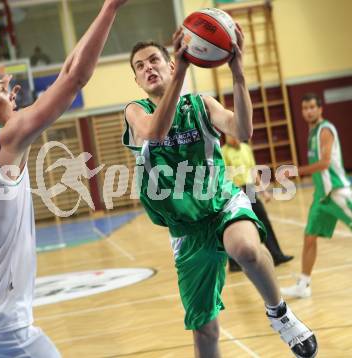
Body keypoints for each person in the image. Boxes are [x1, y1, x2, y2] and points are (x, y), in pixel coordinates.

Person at [0, 1, 128, 357]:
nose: (11, 92)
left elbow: (63, 75)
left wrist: (3, 108)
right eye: (1, 88)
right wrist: (110, 9)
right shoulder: (6, 140)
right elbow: (74, 77)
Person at [123, 27, 317, 358]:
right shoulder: (135, 111)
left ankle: (280, 314)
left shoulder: (201, 104)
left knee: (245, 249)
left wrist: (238, 73)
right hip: (185, 227)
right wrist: (185, 70)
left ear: (171, 65)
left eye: (154, 59)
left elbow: (243, 130)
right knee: (206, 329)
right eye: (139, 66)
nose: (147, 68)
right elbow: (155, 133)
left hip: (221, 202)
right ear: (138, 81)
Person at [281, 93, 352, 298]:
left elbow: (325, 163)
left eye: (312, 107)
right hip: (322, 197)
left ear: (320, 109)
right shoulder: (312, 132)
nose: (309, 111)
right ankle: (303, 285)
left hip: (337, 192)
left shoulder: (325, 130)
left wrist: (294, 171)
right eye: (305, 108)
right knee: (309, 236)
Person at [222, 135, 293, 271]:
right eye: (230, 134)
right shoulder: (223, 152)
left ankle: (276, 255)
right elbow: (225, 175)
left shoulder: (246, 149)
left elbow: (253, 170)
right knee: (232, 225)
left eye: (235, 133)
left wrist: (263, 191)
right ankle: (234, 264)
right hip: (234, 192)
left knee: (263, 221)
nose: (233, 137)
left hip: (249, 189)